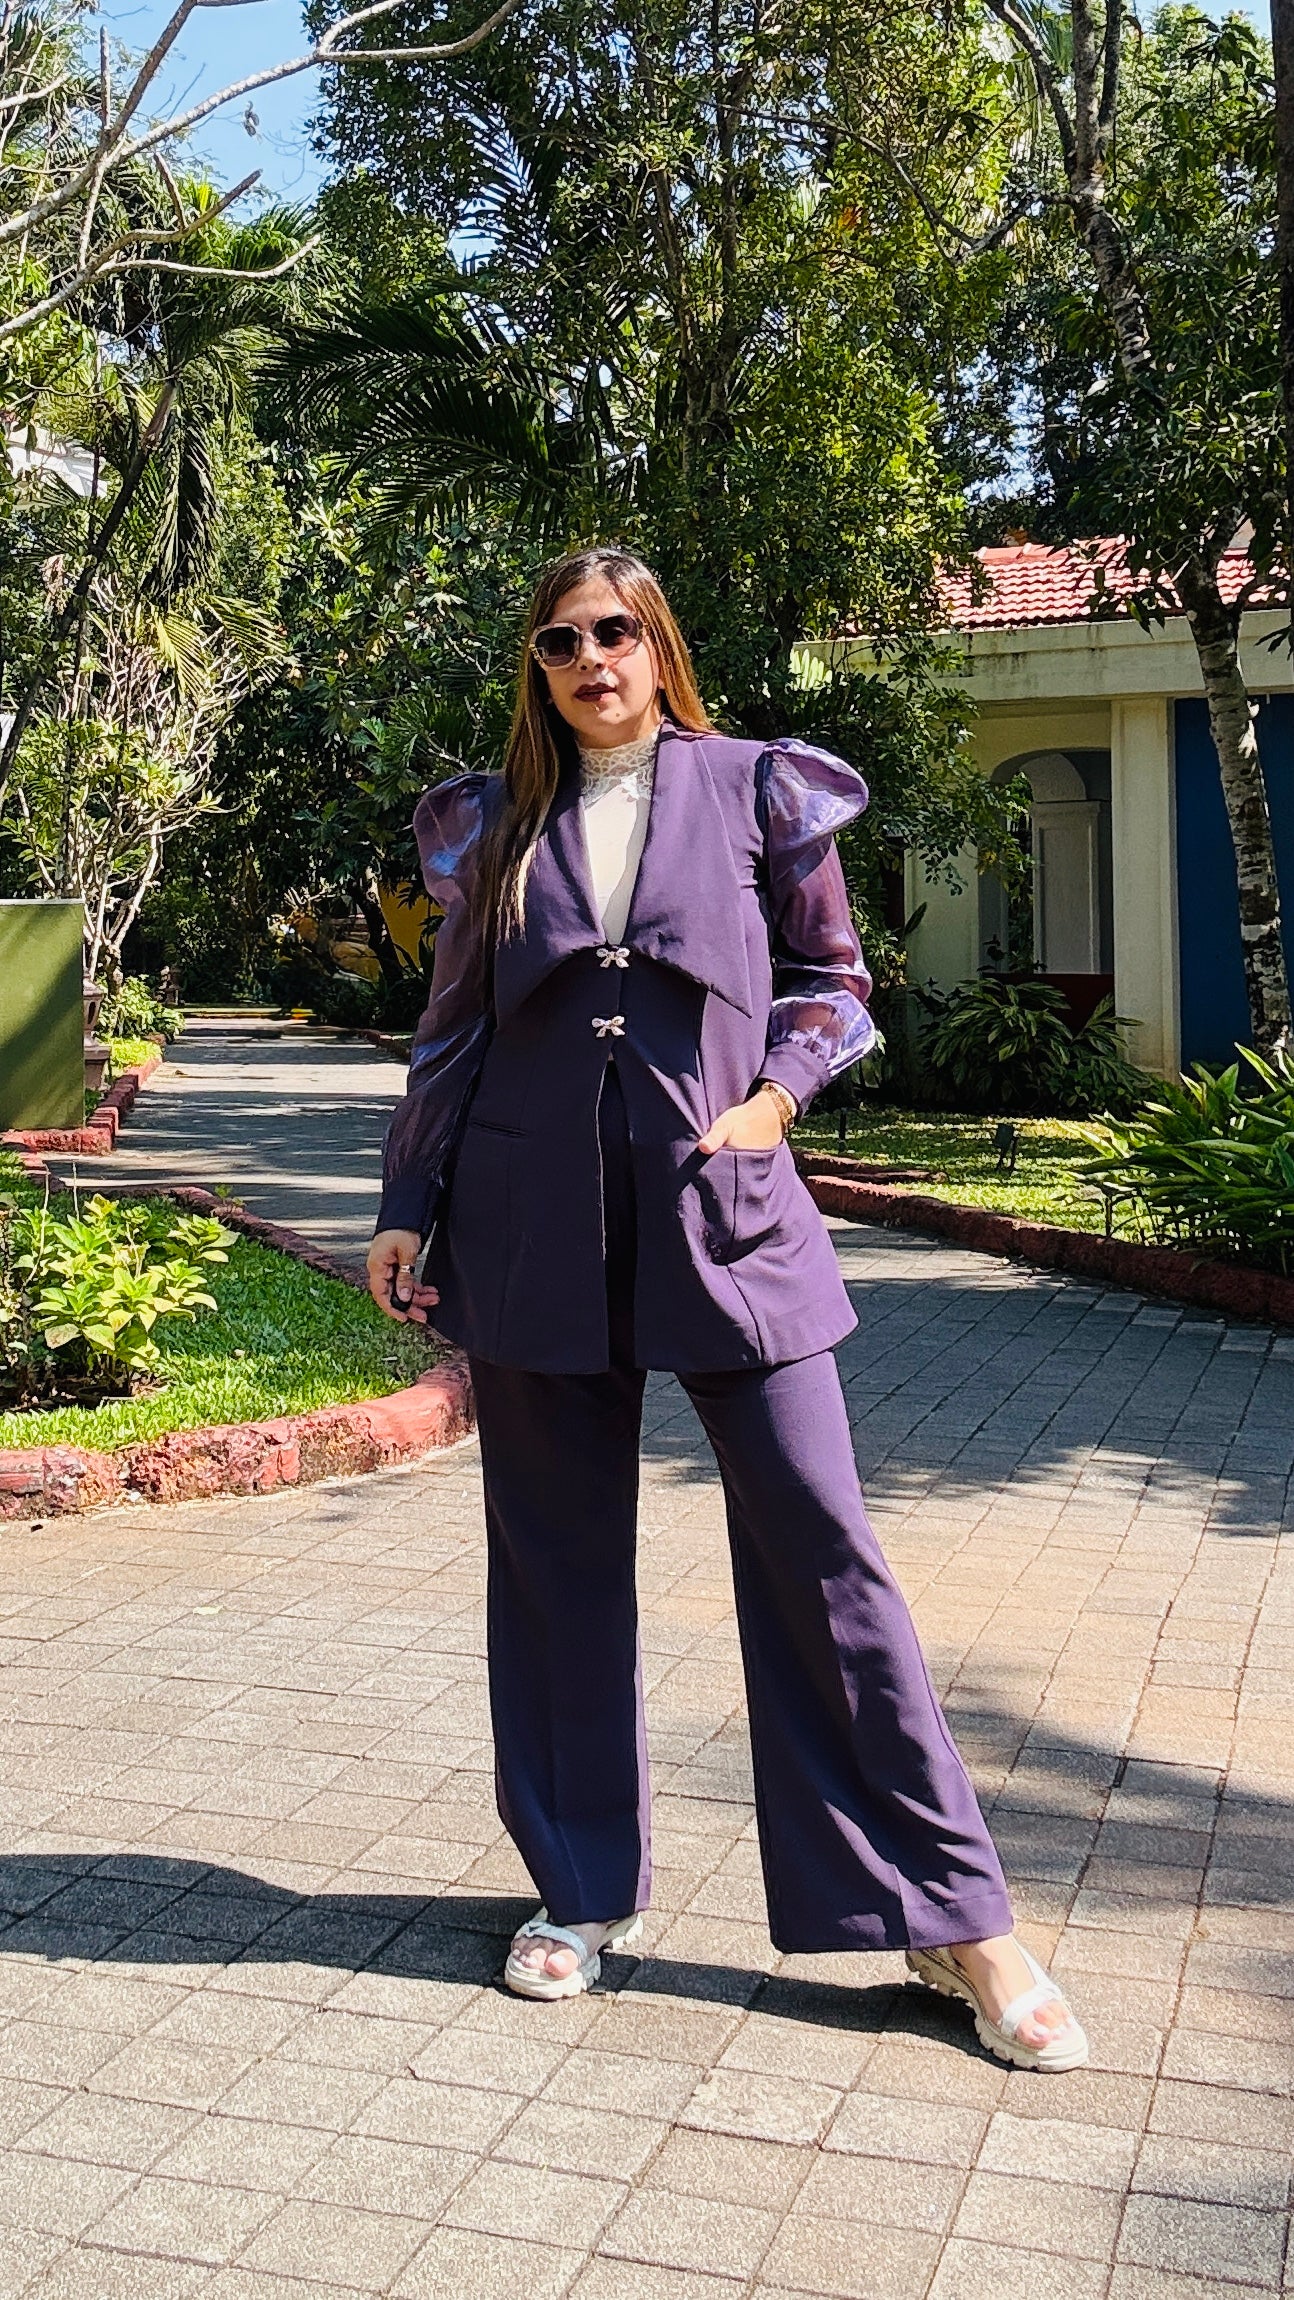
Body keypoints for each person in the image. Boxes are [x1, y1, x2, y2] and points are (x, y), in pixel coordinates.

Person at [367, 545, 1088, 2074]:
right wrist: (404, 1201)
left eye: (613, 632)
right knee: (553, 1567)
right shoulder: (491, 823)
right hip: (527, 1222)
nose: (589, 658)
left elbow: (833, 981)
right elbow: (450, 1034)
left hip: (729, 1211)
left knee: (825, 1554)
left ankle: (953, 1918)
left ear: (657, 646)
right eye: (559, 639)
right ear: (536, 666)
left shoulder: (762, 788)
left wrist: (774, 1100)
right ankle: (579, 1886)